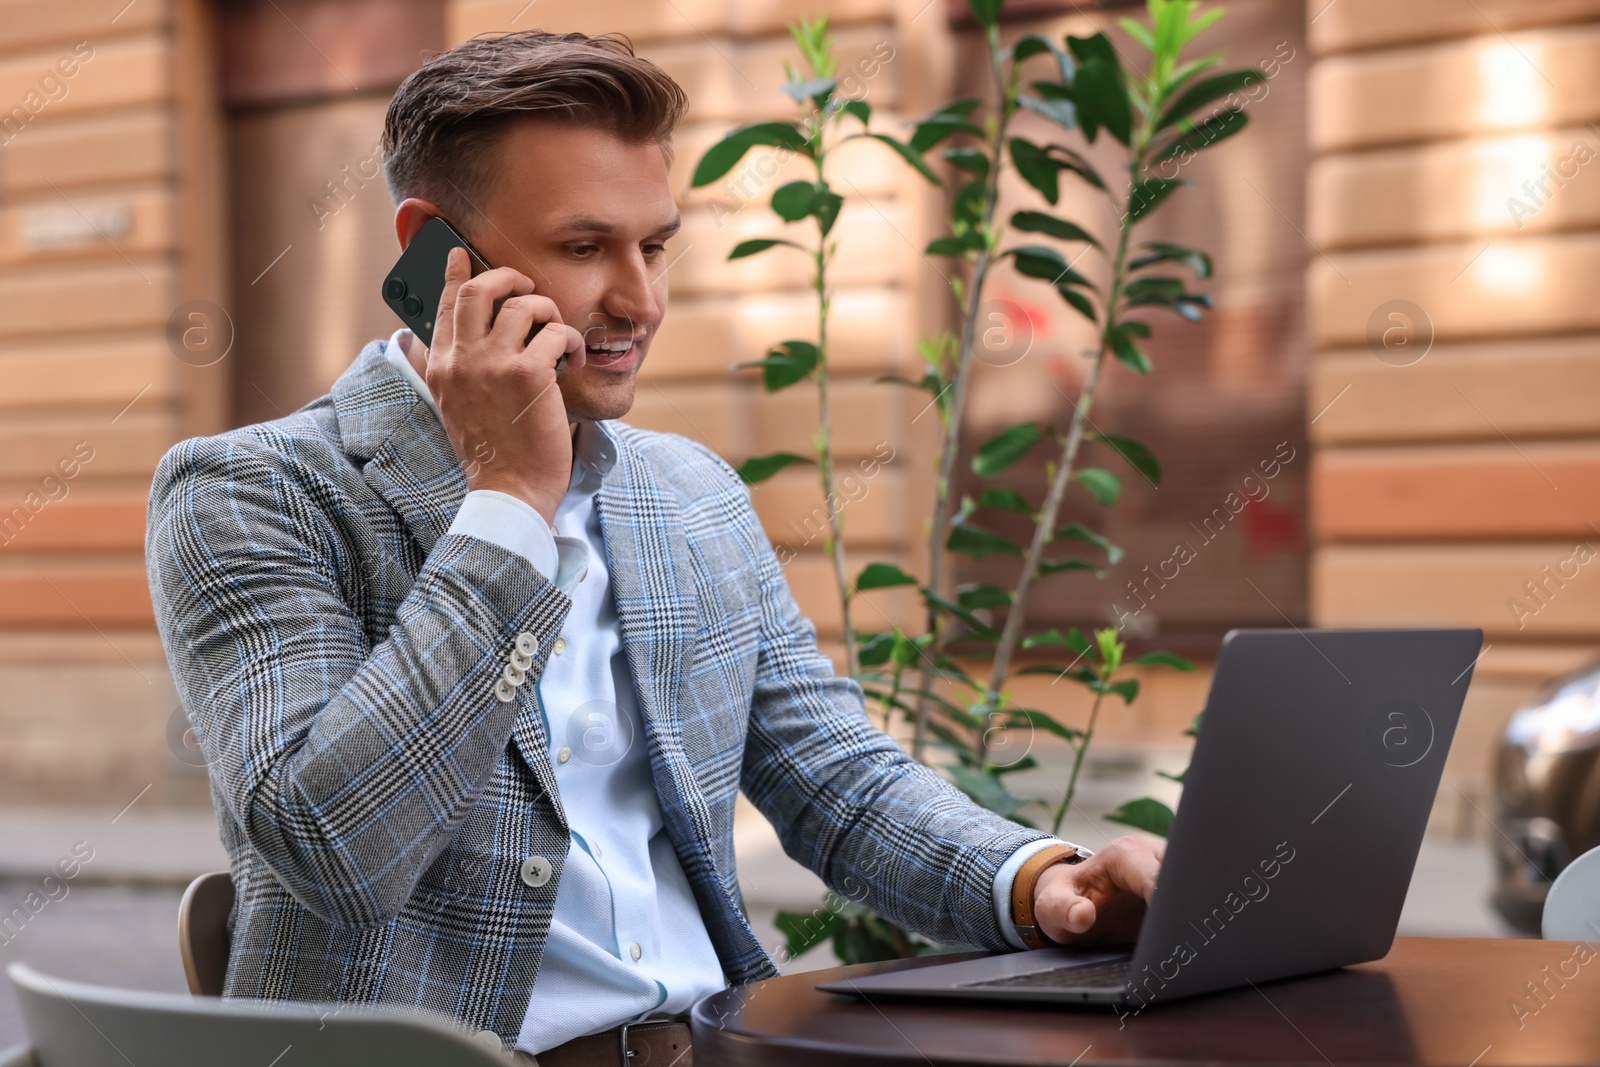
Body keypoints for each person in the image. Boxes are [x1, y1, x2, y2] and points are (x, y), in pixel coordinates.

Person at [145, 29, 1163, 1066]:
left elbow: (835, 780)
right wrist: (506, 502)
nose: (639, 300)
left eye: (656, 244)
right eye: (585, 249)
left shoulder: (688, 490)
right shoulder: (251, 489)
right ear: (435, 251)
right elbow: (333, 848)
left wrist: (1043, 881)